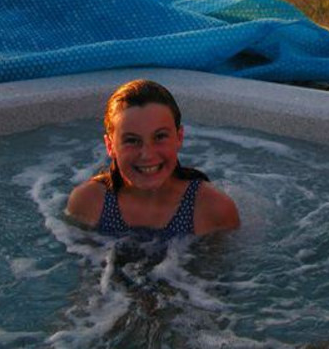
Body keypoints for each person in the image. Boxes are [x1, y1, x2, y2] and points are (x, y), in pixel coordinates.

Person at [66, 79, 239, 241]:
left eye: (160, 136)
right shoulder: (89, 202)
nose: (147, 154)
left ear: (179, 138)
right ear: (110, 146)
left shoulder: (211, 209)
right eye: (132, 140)